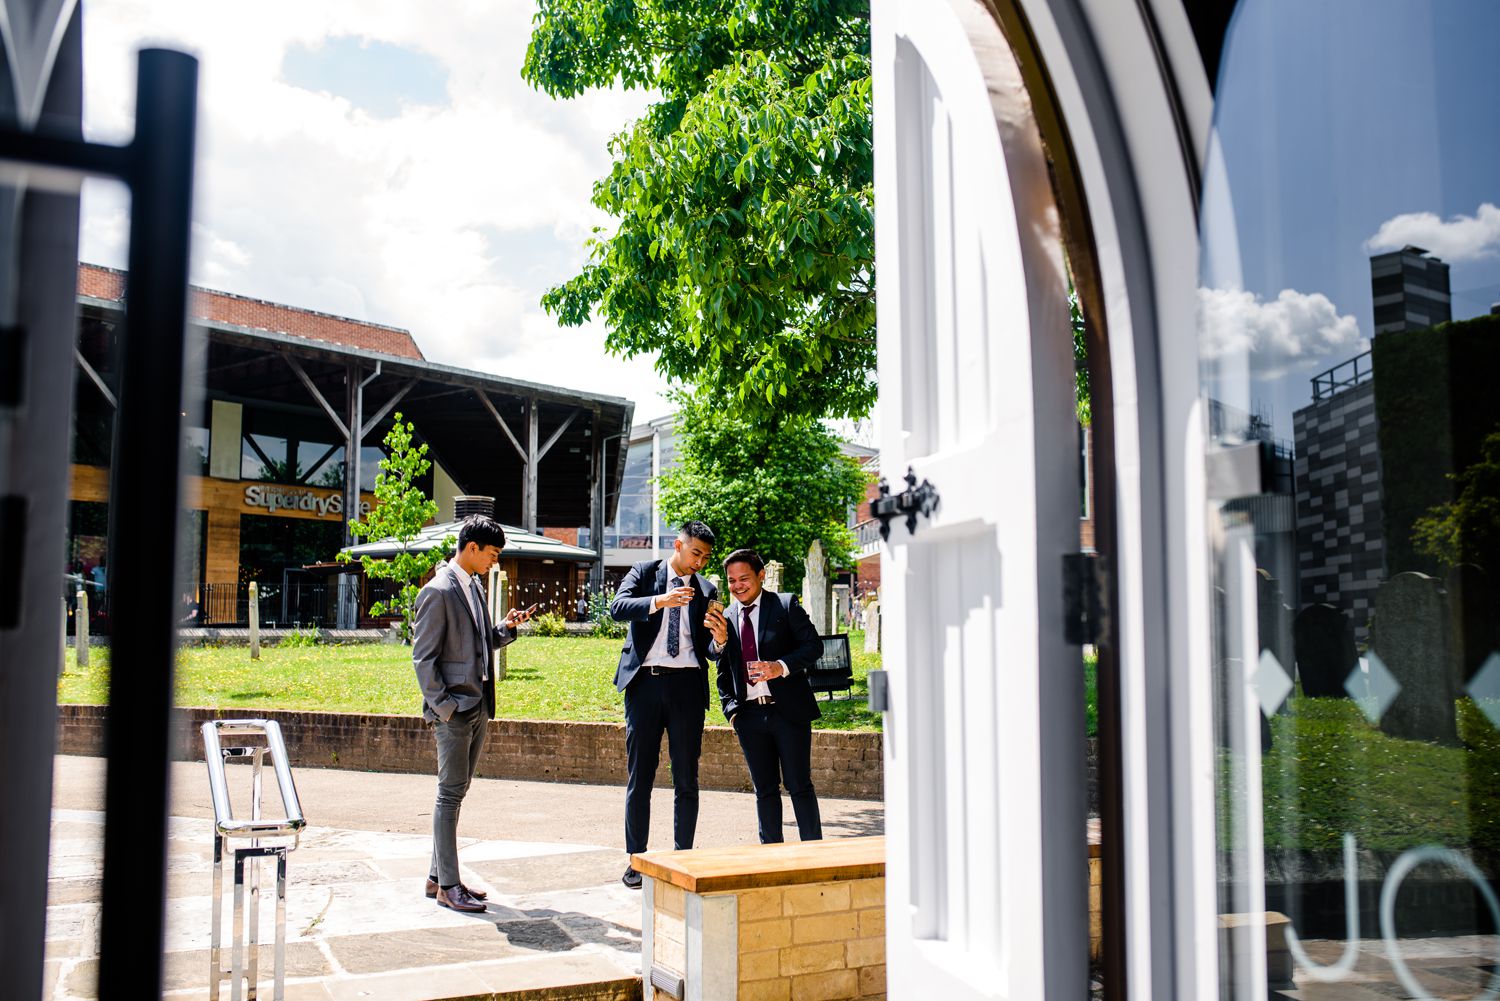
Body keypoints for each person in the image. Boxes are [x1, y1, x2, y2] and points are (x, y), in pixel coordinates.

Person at [412, 514, 535, 912]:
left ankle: (436, 877)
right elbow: (423, 660)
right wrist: (444, 707)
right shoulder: (437, 591)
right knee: (449, 795)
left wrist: (506, 628)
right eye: (492, 554)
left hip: (479, 703)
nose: (494, 562)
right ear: (471, 548)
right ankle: (449, 886)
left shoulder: (474, 587)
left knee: (457, 792)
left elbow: (482, 641)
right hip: (455, 711)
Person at [609, 520, 722, 888]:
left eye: (706, 557)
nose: (700, 563)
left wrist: (719, 642)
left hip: (688, 687)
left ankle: (682, 858)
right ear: (678, 545)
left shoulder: (708, 589)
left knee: (686, 778)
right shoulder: (645, 573)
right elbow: (618, 607)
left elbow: (706, 646)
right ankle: (636, 860)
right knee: (640, 776)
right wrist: (661, 601)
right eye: (695, 554)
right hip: (645, 685)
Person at [710, 548, 824, 844]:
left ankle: (813, 853)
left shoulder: (784, 606)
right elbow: (720, 666)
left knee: (799, 785)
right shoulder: (727, 616)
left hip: (788, 712)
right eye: (732, 581)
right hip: (749, 716)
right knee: (764, 790)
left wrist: (780, 667)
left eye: (744, 578)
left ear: (761, 576)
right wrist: (732, 712)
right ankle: (770, 854)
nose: (737, 586)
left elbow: (813, 647)